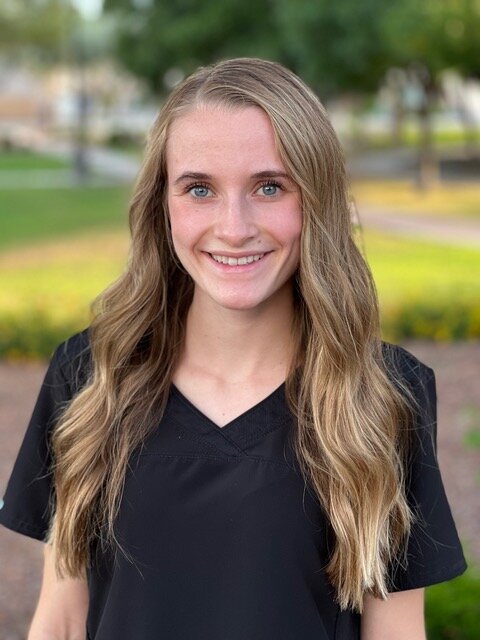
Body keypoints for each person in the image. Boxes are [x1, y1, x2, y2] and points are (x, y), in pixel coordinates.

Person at [0, 58, 466, 640]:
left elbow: (394, 632)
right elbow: (62, 619)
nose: (235, 227)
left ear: (316, 199)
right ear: (162, 204)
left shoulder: (383, 394)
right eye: (199, 189)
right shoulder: (91, 376)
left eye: (270, 187)